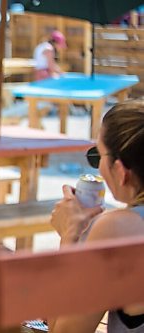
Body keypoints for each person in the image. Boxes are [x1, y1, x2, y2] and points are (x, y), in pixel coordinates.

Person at [49, 98, 144, 332]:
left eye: (97, 155)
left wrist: (69, 237)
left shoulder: (119, 229)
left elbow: (63, 331)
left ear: (121, 171)